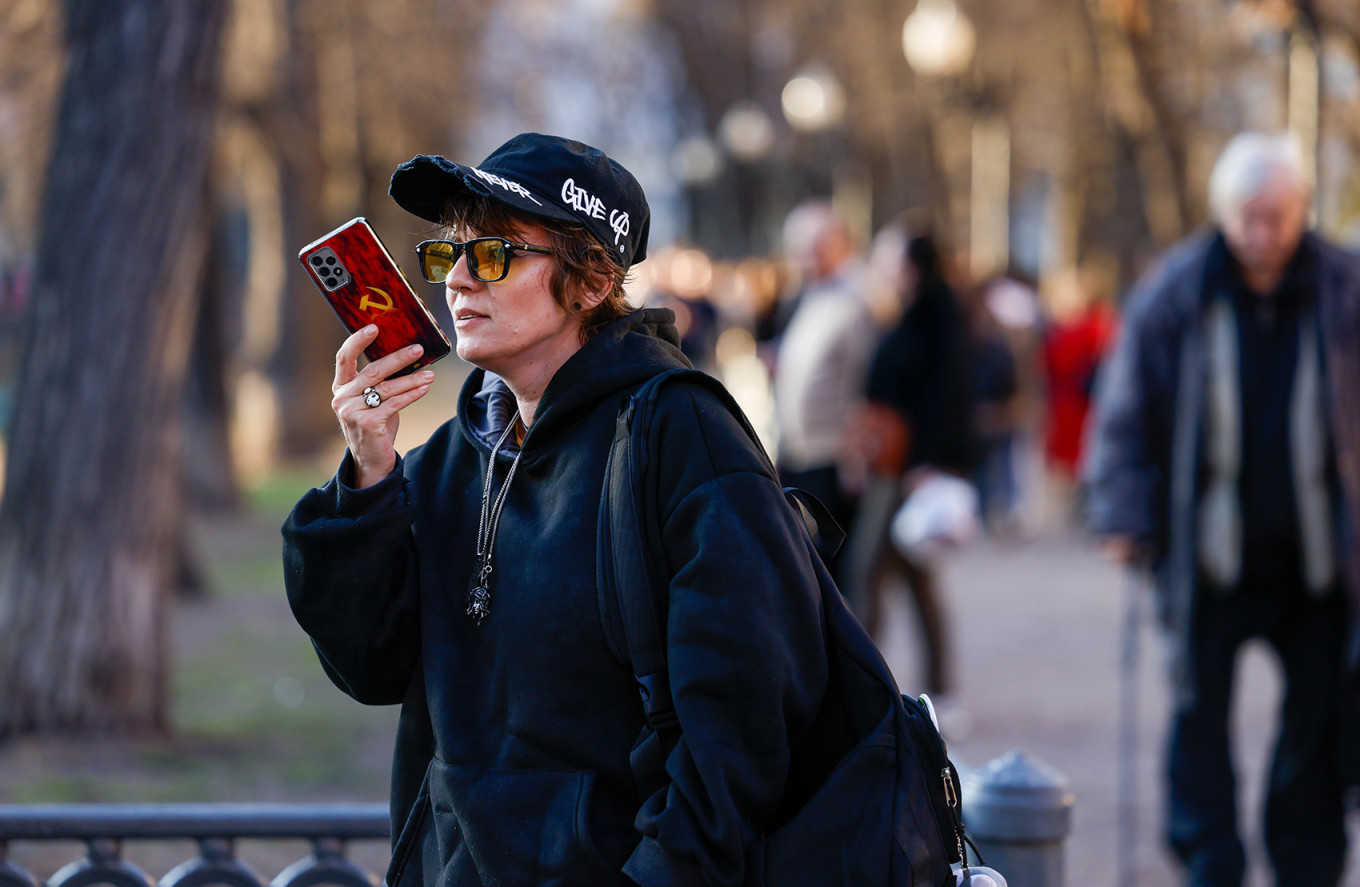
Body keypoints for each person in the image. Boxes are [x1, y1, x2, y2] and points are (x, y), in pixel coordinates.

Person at [282, 134, 830, 887]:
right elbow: (368, 665)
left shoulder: (680, 434)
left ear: (592, 278)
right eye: (450, 254)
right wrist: (369, 471)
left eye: (497, 254)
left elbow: (744, 722)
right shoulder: (451, 456)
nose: (461, 279)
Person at [1085, 132, 1360, 887]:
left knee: (1317, 722)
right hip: (1210, 556)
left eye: (1277, 215)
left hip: (1320, 562)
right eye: (1248, 216)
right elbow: (1122, 409)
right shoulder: (1177, 289)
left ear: (1304, 209)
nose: (1262, 234)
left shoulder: (1346, 287)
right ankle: (1212, 865)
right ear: (1221, 213)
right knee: (1197, 722)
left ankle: (1306, 860)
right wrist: (1122, 511)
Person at [839, 224, 977, 695]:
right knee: (916, 582)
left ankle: (857, 686)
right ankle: (935, 688)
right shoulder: (915, 311)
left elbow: (947, 396)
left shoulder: (936, 315)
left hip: (910, 467)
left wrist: (930, 462)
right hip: (899, 462)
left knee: (868, 570)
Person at [772, 200, 877, 552]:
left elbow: (862, 382)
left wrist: (855, 460)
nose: (805, 258)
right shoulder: (809, 294)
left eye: (814, 247)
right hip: (801, 452)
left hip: (833, 457)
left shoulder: (858, 297)